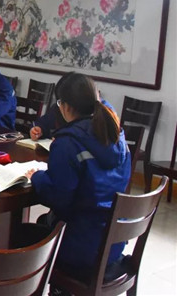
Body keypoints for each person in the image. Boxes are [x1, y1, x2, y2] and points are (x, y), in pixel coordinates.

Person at [24, 73, 131, 286]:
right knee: (44, 222)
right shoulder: (116, 134)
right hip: (113, 242)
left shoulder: (67, 143)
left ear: (65, 106)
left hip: (81, 247)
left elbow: (58, 198)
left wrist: (37, 177)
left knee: (21, 235)